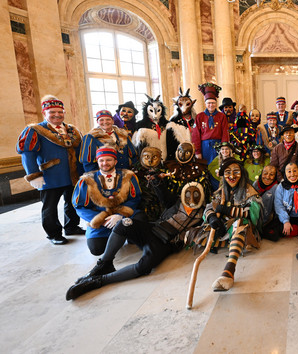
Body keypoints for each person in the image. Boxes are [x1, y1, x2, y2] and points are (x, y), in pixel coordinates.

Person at [66, 175, 206, 300]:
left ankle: (99, 281)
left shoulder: (202, 213)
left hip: (166, 243)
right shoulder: (177, 203)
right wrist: (156, 180)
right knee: (125, 223)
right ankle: (104, 264)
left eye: (196, 195)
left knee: (144, 266)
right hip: (153, 229)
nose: (191, 198)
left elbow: (211, 217)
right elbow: (163, 195)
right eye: (188, 194)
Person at [16, 95, 84, 245]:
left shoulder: (72, 130)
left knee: (72, 202)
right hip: (50, 176)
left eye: (60, 112)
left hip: (73, 175)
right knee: (50, 207)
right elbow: (28, 154)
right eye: (52, 112)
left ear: (64, 113)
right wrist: (33, 175)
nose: (56, 115)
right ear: (44, 113)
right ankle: (54, 234)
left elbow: (81, 152)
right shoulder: (35, 130)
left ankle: (71, 226)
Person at [192, 158, 263, 291]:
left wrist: (229, 210)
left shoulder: (249, 190)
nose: (231, 176)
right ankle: (227, 242)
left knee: (240, 225)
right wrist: (212, 217)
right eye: (227, 172)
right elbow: (210, 206)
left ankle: (229, 270)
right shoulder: (221, 191)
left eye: (236, 172)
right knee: (197, 235)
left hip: (241, 226)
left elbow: (253, 214)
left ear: (242, 173)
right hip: (223, 226)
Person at [73, 147, 142, 255]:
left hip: (122, 218)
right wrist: (102, 220)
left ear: (115, 161)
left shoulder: (128, 176)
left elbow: (135, 199)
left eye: (109, 160)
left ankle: (124, 233)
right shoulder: (86, 180)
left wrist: (120, 216)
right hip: (101, 223)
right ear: (97, 161)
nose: (105, 163)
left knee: (138, 228)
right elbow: (80, 207)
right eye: (101, 160)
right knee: (97, 250)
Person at [193, 83, 230, 164]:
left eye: (213, 103)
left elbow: (225, 133)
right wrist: (197, 151)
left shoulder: (222, 116)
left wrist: (224, 149)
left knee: (218, 166)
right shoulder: (199, 116)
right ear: (205, 104)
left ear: (216, 104)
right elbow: (196, 135)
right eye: (209, 103)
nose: (211, 105)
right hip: (204, 147)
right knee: (205, 168)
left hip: (219, 146)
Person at [274, 162, 298, 238]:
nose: (292, 174)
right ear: (285, 173)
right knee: (272, 231)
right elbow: (278, 205)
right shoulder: (281, 187)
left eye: (295, 171)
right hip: (287, 216)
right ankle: (293, 229)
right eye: (289, 171)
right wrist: (286, 221)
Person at [132, 95, 169, 159]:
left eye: (158, 111)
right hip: (148, 158)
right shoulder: (140, 125)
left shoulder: (167, 124)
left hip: (165, 157)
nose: (155, 115)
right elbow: (137, 145)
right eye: (151, 111)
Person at [166, 88, 196, 161]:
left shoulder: (195, 120)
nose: (184, 108)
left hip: (194, 155)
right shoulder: (173, 122)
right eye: (181, 104)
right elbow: (169, 142)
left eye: (187, 104)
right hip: (178, 156)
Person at [253, 165, 281, 241]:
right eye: (265, 173)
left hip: (267, 221)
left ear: (275, 176)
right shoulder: (256, 184)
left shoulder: (276, 187)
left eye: (271, 174)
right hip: (254, 219)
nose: (268, 177)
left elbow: (278, 207)